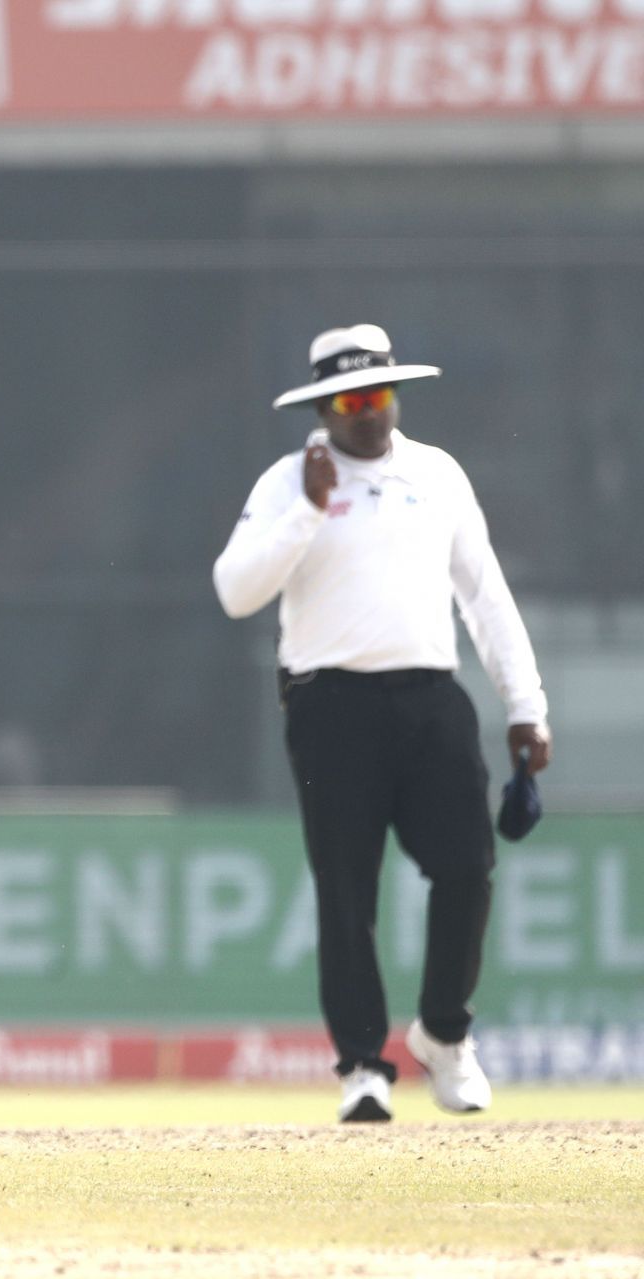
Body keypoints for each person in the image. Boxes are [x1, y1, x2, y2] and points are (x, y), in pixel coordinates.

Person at [213, 324, 553, 1124]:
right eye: (351, 400)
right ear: (324, 407)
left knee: (468, 866)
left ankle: (442, 1032)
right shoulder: (288, 481)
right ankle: (363, 1065)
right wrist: (308, 510)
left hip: (430, 696)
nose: (369, 414)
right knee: (345, 888)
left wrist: (526, 706)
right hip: (331, 705)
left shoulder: (437, 475)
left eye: (380, 396)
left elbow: (485, 596)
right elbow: (236, 590)